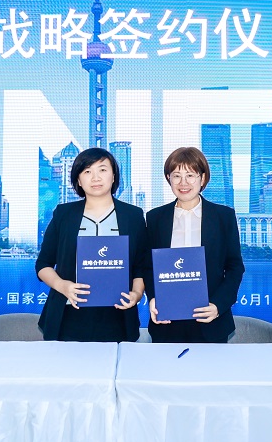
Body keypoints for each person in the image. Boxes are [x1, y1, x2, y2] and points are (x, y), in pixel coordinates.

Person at [35, 147, 148, 342]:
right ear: (79, 180)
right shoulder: (64, 214)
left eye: (102, 170)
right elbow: (43, 264)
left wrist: (137, 294)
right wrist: (63, 286)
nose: (95, 177)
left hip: (118, 316)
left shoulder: (133, 216)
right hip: (68, 315)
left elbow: (141, 266)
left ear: (114, 176)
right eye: (87, 171)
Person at [145, 146, 245, 343]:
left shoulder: (223, 216)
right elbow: (148, 266)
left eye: (190, 175)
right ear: (168, 178)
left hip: (211, 322)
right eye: (176, 176)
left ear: (203, 178)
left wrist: (218, 306)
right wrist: (153, 298)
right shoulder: (155, 218)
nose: (183, 183)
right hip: (166, 322)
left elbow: (235, 267)